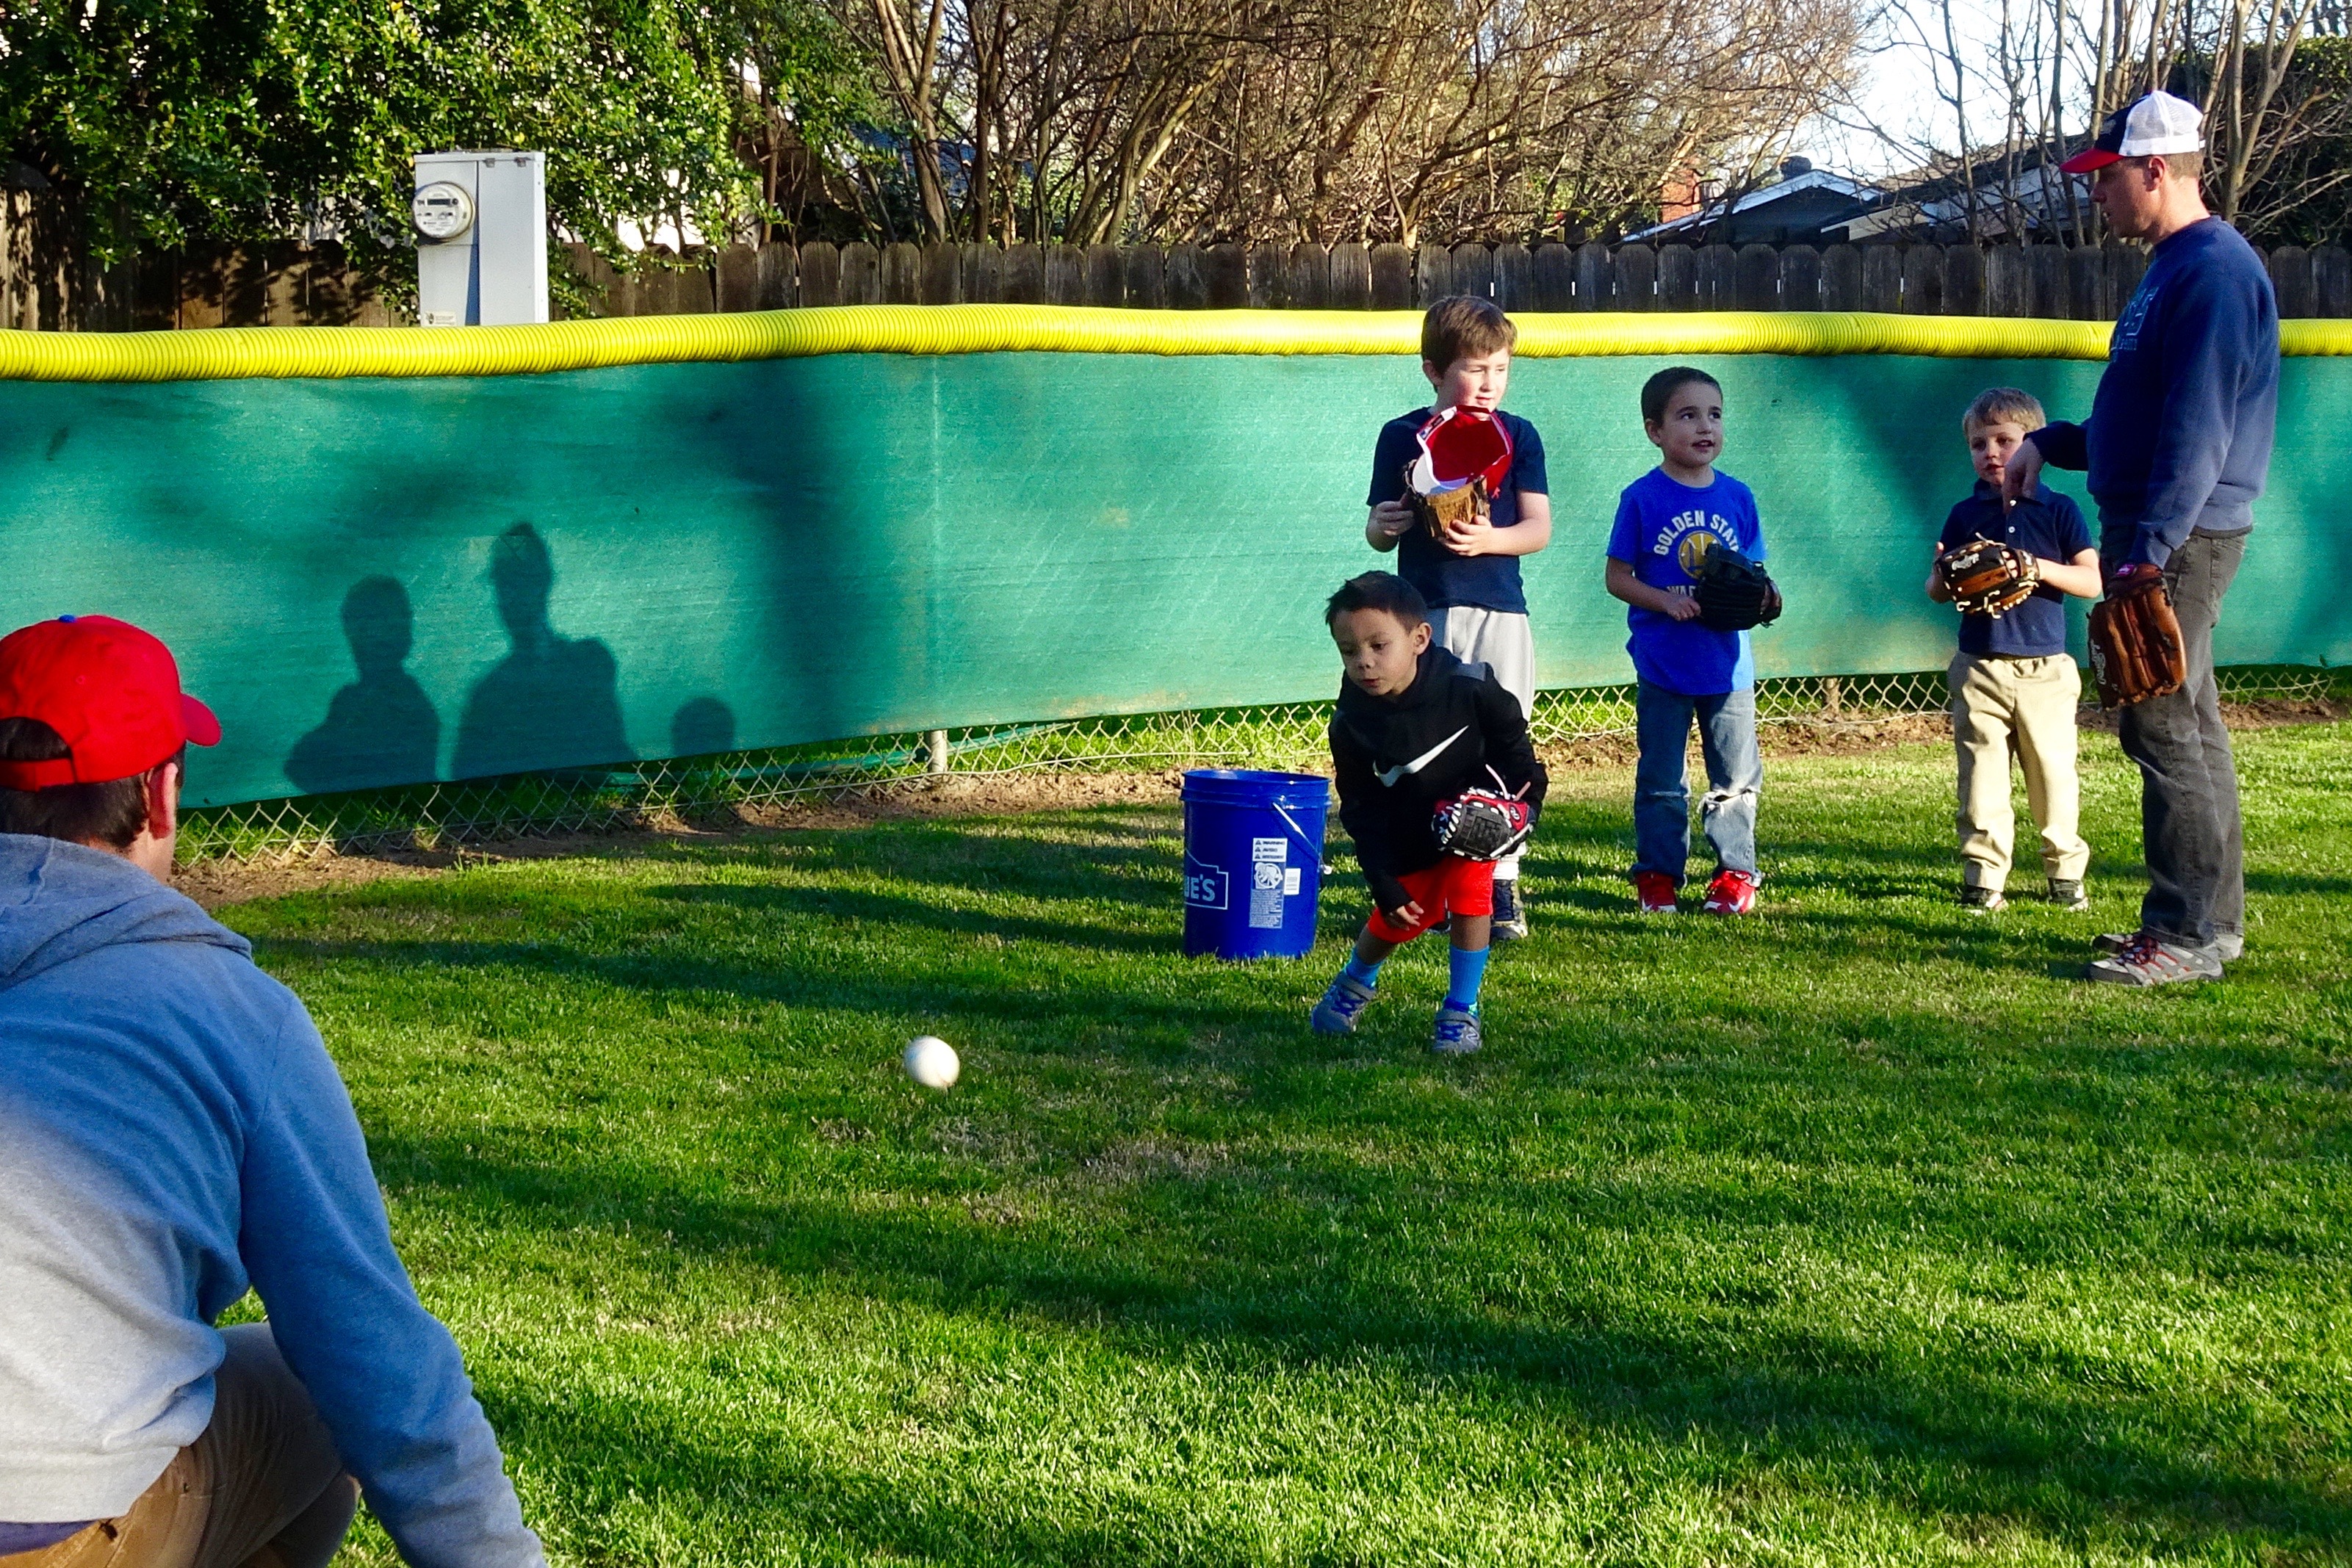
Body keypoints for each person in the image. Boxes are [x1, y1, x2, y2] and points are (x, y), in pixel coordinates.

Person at [0, 614, 545, 1568]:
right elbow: (379, 1369)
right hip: (43, 1524)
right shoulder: (229, 1006)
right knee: (306, 1386)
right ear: (160, 792)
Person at [2000, 90, 2279, 985]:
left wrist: (2142, 554)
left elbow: (2196, 431)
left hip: (2178, 534)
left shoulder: (2212, 273)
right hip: (2163, 527)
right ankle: (2211, 922)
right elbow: (2141, 419)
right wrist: (2052, 440)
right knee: (2187, 719)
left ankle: (2186, 933)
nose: (2096, 194)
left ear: (2155, 170)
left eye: (2106, 177)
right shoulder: (2176, 264)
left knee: (2158, 724)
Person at [1364, 295, 1552, 939]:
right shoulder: (1401, 435)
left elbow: (1537, 528)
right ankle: (1436, 883)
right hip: (1425, 614)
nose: (1490, 383)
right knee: (1432, 746)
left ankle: (1500, 885)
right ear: (1433, 370)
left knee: (1504, 740)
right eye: (1475, 369)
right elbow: (1379, 533)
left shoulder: (1519, 434)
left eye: (1500, 368)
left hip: (1500, 608)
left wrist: (1488, 540)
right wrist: (1383, 524)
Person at [1311, 573, 1548, 1056]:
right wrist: (1383, 879)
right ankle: (1354, 982)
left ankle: (1461, 1009)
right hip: (1407, 830)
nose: (1364, 661)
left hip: (1474, 817)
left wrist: (1527, 802)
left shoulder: (1469, 685)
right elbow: (1361, 809)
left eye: (1379, 644)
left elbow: (1515, 746)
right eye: (1349, 650)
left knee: (1470, 889)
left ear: (1420, 638)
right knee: (1403, 917)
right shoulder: (1352, 723)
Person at [1927, 388, 2102, 912]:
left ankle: (2065, 871)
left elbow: (2091, 580)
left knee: (2052, 773)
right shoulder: (1964, 514)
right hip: (1980, 664)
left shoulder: (2058, 509)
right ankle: (1983, 876)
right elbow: (1937, 590)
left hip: (2045, 667)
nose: (1992, 452)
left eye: (2006, 440)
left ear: (2033, 444)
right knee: (1980, 778)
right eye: (1979, 444)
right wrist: (1943, 573)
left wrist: (2034, 567)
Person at [1604, 366, 1767, 917]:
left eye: (1715, 415)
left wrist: (1766, 599)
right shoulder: (1642, 497)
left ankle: (1736, 873)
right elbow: (1617, 576)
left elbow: (1755, 572)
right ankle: (1657, 875)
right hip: (1663, 661)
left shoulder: (1738, 496)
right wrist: (1665, 600)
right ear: (1655, 430)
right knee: (1661, 779)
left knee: (1735, 779)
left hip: (1728, 664)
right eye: (1687, 414)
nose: (1705, 426)